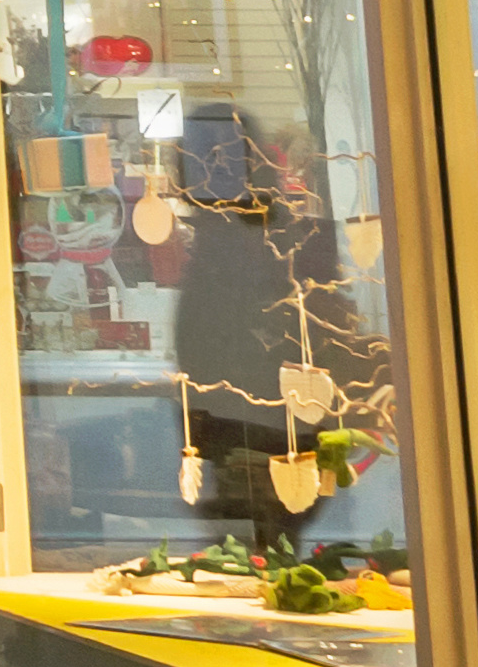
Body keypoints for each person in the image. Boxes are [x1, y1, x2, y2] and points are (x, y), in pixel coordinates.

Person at [162, 101, 383, 565]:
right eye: (201, 157)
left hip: (272, 431)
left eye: (218, 156)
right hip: (250, 430)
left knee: (262, 551)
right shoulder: (240, 242)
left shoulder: (263, 243)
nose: (209, 172)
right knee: (262, 553)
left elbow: (325, 329)